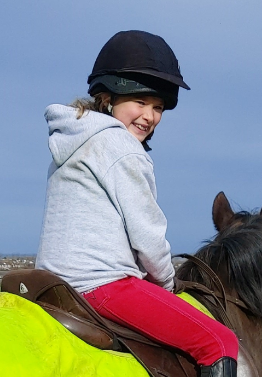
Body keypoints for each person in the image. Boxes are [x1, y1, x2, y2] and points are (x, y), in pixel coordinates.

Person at [36, 30, 238, 377]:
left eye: (158, 107)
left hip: (53, 283)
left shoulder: (73, 142)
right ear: (107, 98)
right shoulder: (122, 147)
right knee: (220, 342)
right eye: (140, 102)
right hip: (101, 286)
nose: (150, 116)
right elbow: (148, 237)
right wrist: (167, 286)